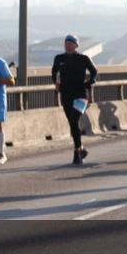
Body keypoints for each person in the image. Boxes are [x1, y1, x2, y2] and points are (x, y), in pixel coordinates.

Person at [51, 35, 99, 165]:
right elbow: (54, 72)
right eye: (66, 43)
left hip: (80, 95)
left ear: (76, 46)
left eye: (71, 44)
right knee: (72, 124)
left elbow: (94, 71)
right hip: (66, 95)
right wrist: (56, 83)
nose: (68, 46)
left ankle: (78, 150)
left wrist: (90, 82)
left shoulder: (83, 58)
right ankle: (79, 151)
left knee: (74, 120)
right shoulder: (59, 58)